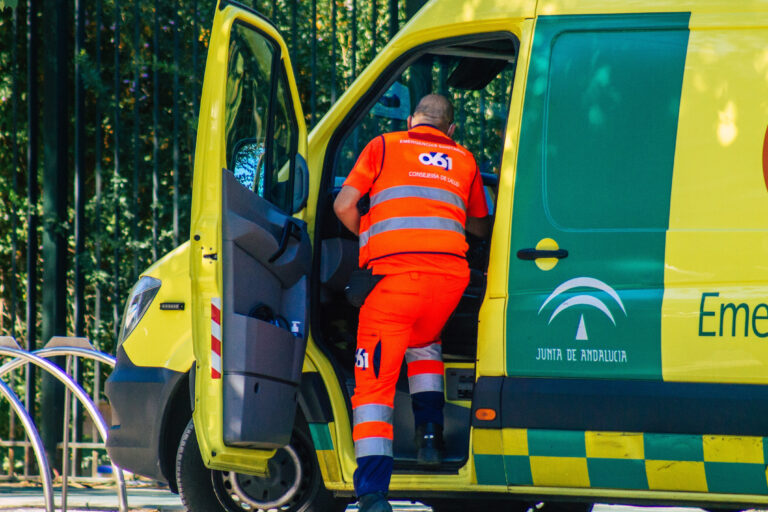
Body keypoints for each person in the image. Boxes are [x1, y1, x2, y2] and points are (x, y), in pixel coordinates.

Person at [334, 94, 490, 512]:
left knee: (373, 388)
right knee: (424, 343)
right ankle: (429, 439)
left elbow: (343, 204)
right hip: (447, 284)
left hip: (393, 285)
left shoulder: (383, 146)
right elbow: (478, 224)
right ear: (451, 129)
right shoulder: (465, 159)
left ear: (410, 120)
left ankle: (371, 493)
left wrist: (368, 235)